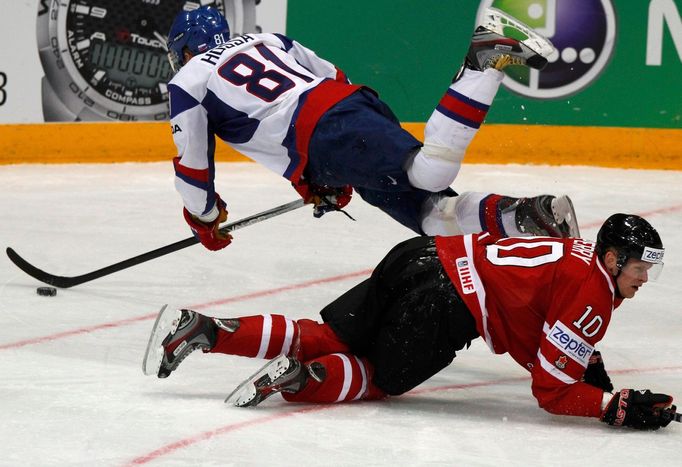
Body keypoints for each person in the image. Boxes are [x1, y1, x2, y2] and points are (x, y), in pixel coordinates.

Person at [143, 213, 678, 430]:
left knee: (331, 334)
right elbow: (550, 392)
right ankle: (300, 378)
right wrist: (614, 406)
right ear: (611, 260)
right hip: (444, 306)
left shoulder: (581, 255)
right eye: (637, 269)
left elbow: (530, 320)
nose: (642, 280)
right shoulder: (595, 298)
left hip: (420, 255)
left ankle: (204, 328)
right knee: (376, 376)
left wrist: (582, 360)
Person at [165, 6, 580, 251]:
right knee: (431, 217)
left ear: (185, 49)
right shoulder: (269, 40)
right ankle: (530, 217)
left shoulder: (187, 82)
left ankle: (482, 63)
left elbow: (193, 166)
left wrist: (203, 217)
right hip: (348, 109)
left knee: (430, 170)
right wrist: (326, 174)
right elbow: (334, 76)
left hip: (327, 134)